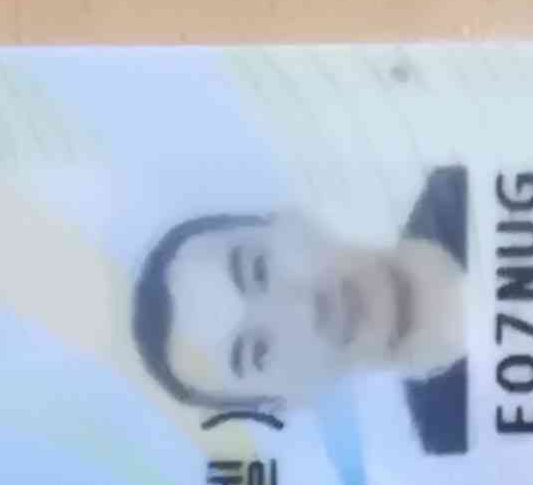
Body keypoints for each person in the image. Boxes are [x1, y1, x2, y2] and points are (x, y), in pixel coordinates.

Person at [128, 167, 471, 454]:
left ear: (287, 221)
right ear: (285, 404)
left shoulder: (470, 181)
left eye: (259, 269)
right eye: (259, 353)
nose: (306, 310)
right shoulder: (453, 452)